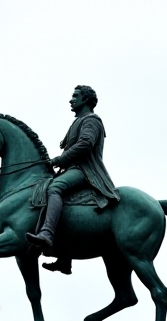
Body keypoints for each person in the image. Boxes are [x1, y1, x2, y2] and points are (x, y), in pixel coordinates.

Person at [27, 85, 120, 274]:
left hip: (86, 171)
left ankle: (46, 234)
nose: (71, 100)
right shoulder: (78, 121)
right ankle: (64, 258)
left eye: (75, 96)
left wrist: (59, 159)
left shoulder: (92, 120)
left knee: (55, 188)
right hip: (74, 168)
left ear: (85, 99)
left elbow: (85, 145)